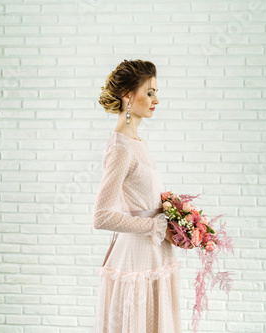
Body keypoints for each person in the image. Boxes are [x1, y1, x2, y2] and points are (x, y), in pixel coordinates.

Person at [92, 59, 193, 333]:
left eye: (156, 93)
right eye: (149, 93)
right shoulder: (120, 148)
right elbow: (101, 216)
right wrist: (156, 225)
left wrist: (176, 224)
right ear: (127, 95)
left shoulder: (138, 143)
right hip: (137, 259)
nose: (156, 100)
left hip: (155, 255)